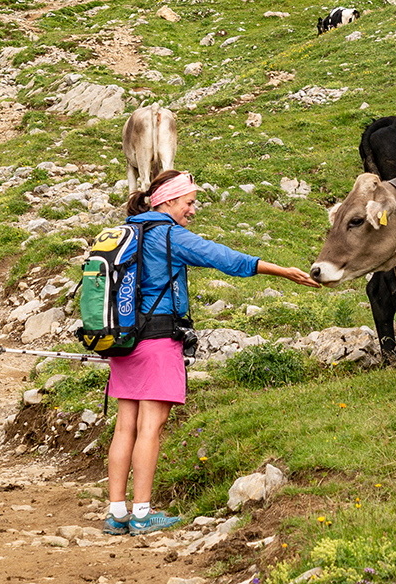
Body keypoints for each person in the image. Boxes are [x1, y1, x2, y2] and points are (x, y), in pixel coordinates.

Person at [103, 169, 320, 535]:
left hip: (123, 341)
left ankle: (117, 513)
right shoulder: (168, 235)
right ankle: (142, 514)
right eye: (188, 202)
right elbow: (224, 258)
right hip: (158, 339)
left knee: (125, 425)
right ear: (168, 200)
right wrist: (280, 270)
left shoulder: (128, 232)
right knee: (150, 428)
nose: (192, 210)